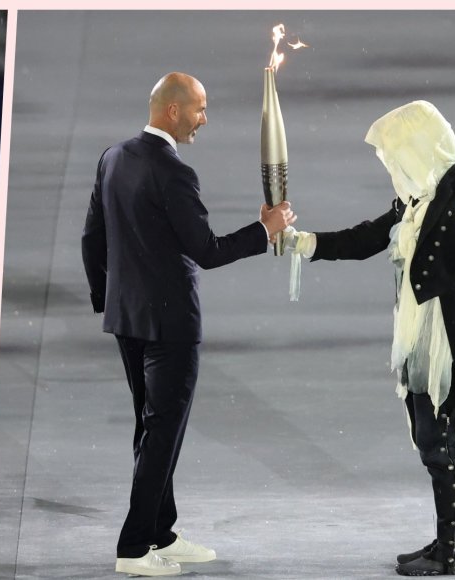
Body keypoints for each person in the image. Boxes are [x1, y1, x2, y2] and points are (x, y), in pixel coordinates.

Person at [81, 72, 296, 577]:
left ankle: (160, 530)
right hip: (170, 325)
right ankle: (133, 548)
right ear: (173, 111)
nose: (205, 118)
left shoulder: (113, 157)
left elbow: (92, 239)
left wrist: (107, 300)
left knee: (150, 426)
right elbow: (207, 251)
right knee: (162, 432)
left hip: (127, 319)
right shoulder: (173, 172)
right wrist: (265, 230)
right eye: (200, 109)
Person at [285, 101, 455, 576]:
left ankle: (449, 554)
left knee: (440, 440)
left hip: (446, 339)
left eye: (397, 157)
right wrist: (307, 243)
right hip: (415, 334)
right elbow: (364, 238)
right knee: (431, 434)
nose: (394, 169)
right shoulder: (416, 202)